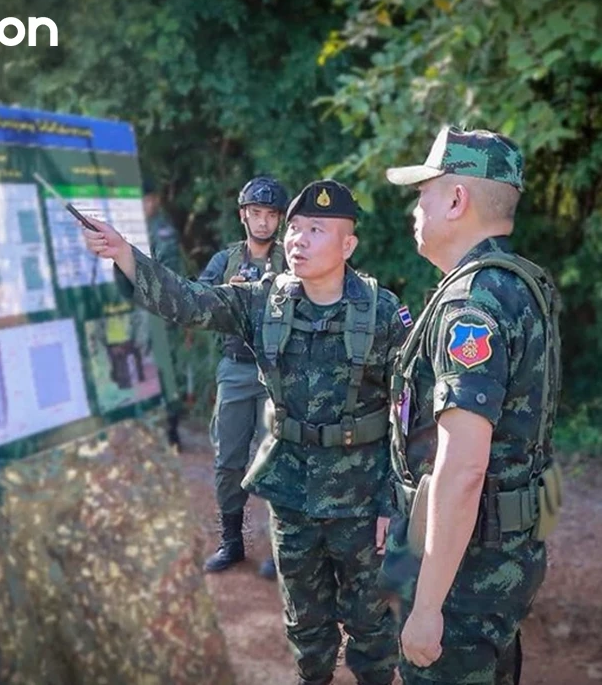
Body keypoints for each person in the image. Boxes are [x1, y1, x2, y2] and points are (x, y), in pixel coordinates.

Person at [83, 178, 403, 685]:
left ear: (348, 245)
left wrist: (391, 501)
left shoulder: (381, 314)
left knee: (366, 617)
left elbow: (404, 415)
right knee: (304, 617)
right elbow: (188, 301)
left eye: (315, 229)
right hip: (291, 490)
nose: (297, 239)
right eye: (294, 228)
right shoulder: (263, 303)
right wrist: (125, 255)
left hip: (359, 494)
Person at [381, 126, 562, 685]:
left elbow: (463, 469)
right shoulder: (519, 284)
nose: (417, 207)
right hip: (501, 554)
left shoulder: (471, 305)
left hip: (465, 567)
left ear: (457, 200)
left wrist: (429, 606)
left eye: (425, 193)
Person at [194, 176, 288, 578]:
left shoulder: (292, 258)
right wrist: (223, 292)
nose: (263, 222)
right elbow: (196, 300)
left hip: (279, 371)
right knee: (229, 459)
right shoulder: (226, 260)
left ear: (280, 219)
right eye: (256, 213)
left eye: (270, 215)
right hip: (235, 368)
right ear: (242, 215)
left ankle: (282, 552)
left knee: (279, 460)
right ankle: (232, 542)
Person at [143, 179, 187, 448]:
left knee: (166, 370)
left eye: (147, 199)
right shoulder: (134, 226)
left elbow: (170, 275)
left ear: (156, 200)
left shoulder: (162, 232)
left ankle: (171, 429)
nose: (143, 205)